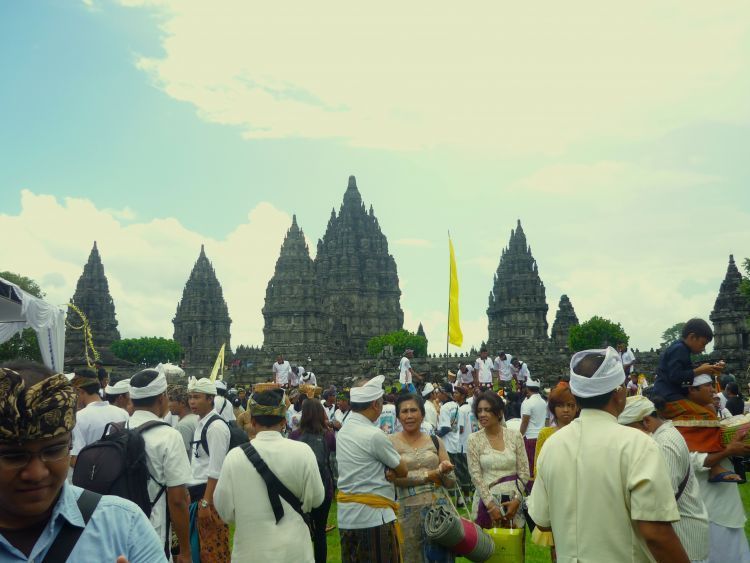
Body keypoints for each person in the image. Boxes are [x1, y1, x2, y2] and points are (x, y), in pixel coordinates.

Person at [528, 347, 688, 563]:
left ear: (575, 396)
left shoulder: (553, 445)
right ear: (619, 392)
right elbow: (656, 534)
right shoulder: (638, 444)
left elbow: (542, 520)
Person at [0, 361, 166, 562]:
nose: (36, 474)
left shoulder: (123, 525)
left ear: (70, 443)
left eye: (53, 451)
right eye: (14, 457)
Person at [215, 389, 324, 562]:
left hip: (251, 552)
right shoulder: (303, 452)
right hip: (294, 552)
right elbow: (317, 498)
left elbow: (224, 510)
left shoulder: (234, 457)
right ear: (283, 421)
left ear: (252, 421)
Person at [618, 395, 710, 563]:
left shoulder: (663, 444)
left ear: (646, 422)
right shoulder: (663, 436)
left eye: (627, 431)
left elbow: (658, 501)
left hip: (682, 542)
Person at [336, 375, 408, 563]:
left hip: (346, 518)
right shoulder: (374, 435)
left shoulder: (344, 430)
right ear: (376, 404)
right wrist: (391, 470)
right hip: (373, 519)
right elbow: (402, 470)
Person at [127, 369, 193, 562]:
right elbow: (178, 500)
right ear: (162, 397)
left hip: (120, 528)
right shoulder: (169, 436)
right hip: (153, 530)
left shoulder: (119, 428)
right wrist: (186, 550)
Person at [684, 377, 750, 562]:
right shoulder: (682, 422)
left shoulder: (715, 414)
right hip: (707, 505)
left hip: (728, 502)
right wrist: (728, 450)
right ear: (692, 391)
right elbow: (691, 459)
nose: (713, 390)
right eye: (707, 386)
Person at [389, 393, 455, 563]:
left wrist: (446, 470)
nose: (409, 415)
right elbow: (392, 479)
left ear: (422, 414)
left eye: (413, 410)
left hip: (439, 512)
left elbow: (451, 482)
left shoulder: (435, 441)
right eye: (404, 412)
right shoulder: (390, 443)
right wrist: (428, 476)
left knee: (441, 557)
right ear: (398, 417)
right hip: (406, 514)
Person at [467, 391, 529, 536]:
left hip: (514, 503)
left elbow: (524, 472)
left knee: (513, 552)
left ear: (499, 412)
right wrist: (491, 506)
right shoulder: (473, 440)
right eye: (479, 410)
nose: (482, 414)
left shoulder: (515, 436)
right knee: (489, 552)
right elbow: (475, 475)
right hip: (486, 504)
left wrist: (517, 500)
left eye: (487, 410)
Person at [531, 382, 578, 556]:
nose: (566, 410)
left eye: (570, 405)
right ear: (553, 408)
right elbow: (538, 469)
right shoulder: (545, 434)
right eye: (560, 405)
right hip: (555, 495)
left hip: (579, 493)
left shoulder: (582, 432)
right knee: (557, 546)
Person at [186, 377, 230, 562]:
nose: (192, 402)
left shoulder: (216, 427)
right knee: (199, 549)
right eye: (190, 397)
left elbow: (216, 470)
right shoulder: (201, 423)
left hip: (208, 497)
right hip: (198, 495)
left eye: (197, 397)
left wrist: (206, 503)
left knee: (212, 551)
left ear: (210, 398)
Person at [289, 399, 335, 563]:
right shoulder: (328, 436)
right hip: (323, 489)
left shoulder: (294, 436)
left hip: (300, 490)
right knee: (321, 532)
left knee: (303, 530)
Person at [70, 369, 129, 467]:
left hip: (91, 478)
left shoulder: (78, 418)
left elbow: (75, 460)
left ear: (80, 391)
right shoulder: (123, 413)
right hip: (118, 475)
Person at [519, 379, 547, 479]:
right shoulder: (543, 402)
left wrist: (519, 435)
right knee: (540, 465)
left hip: (531, 438)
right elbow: (546, 420)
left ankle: (531, 490)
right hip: (542, 438)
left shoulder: (528, 403)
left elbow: (525, 422)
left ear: (527, 389)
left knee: (531, 466)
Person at [168, 385, 199, 460]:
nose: (168, 404)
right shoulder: (196, 418)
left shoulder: (183, 425)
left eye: (171, 400)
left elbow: (182, 455)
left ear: (182, 403)